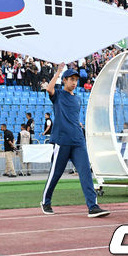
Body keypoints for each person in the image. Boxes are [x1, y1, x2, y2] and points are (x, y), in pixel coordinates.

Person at [41, 65, 110, 218]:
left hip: (78, 141)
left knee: (85, 172)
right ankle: (46, 201)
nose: (74, 82)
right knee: (56, 174)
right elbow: (49, 89)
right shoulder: (58, 94)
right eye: (71, 79)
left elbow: (73, 116)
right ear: (64, 80)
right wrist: (58, 72)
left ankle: (93, 206)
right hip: (62, 140)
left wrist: (78, 124)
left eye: (76, 80)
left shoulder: (77, 99)